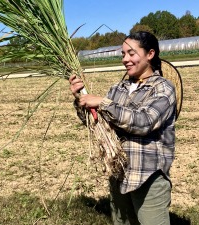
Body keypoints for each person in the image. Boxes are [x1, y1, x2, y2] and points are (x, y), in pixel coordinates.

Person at [69, 31, 176, 225]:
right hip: (119, 174)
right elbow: (97, 124)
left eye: (131, 53)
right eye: (123, 54)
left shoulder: (163, 89)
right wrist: (81, 99)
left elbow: (144, 122)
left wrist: (102, 102)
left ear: (150, 54)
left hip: (148, 177)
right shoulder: (117, 89)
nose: (125, 59)